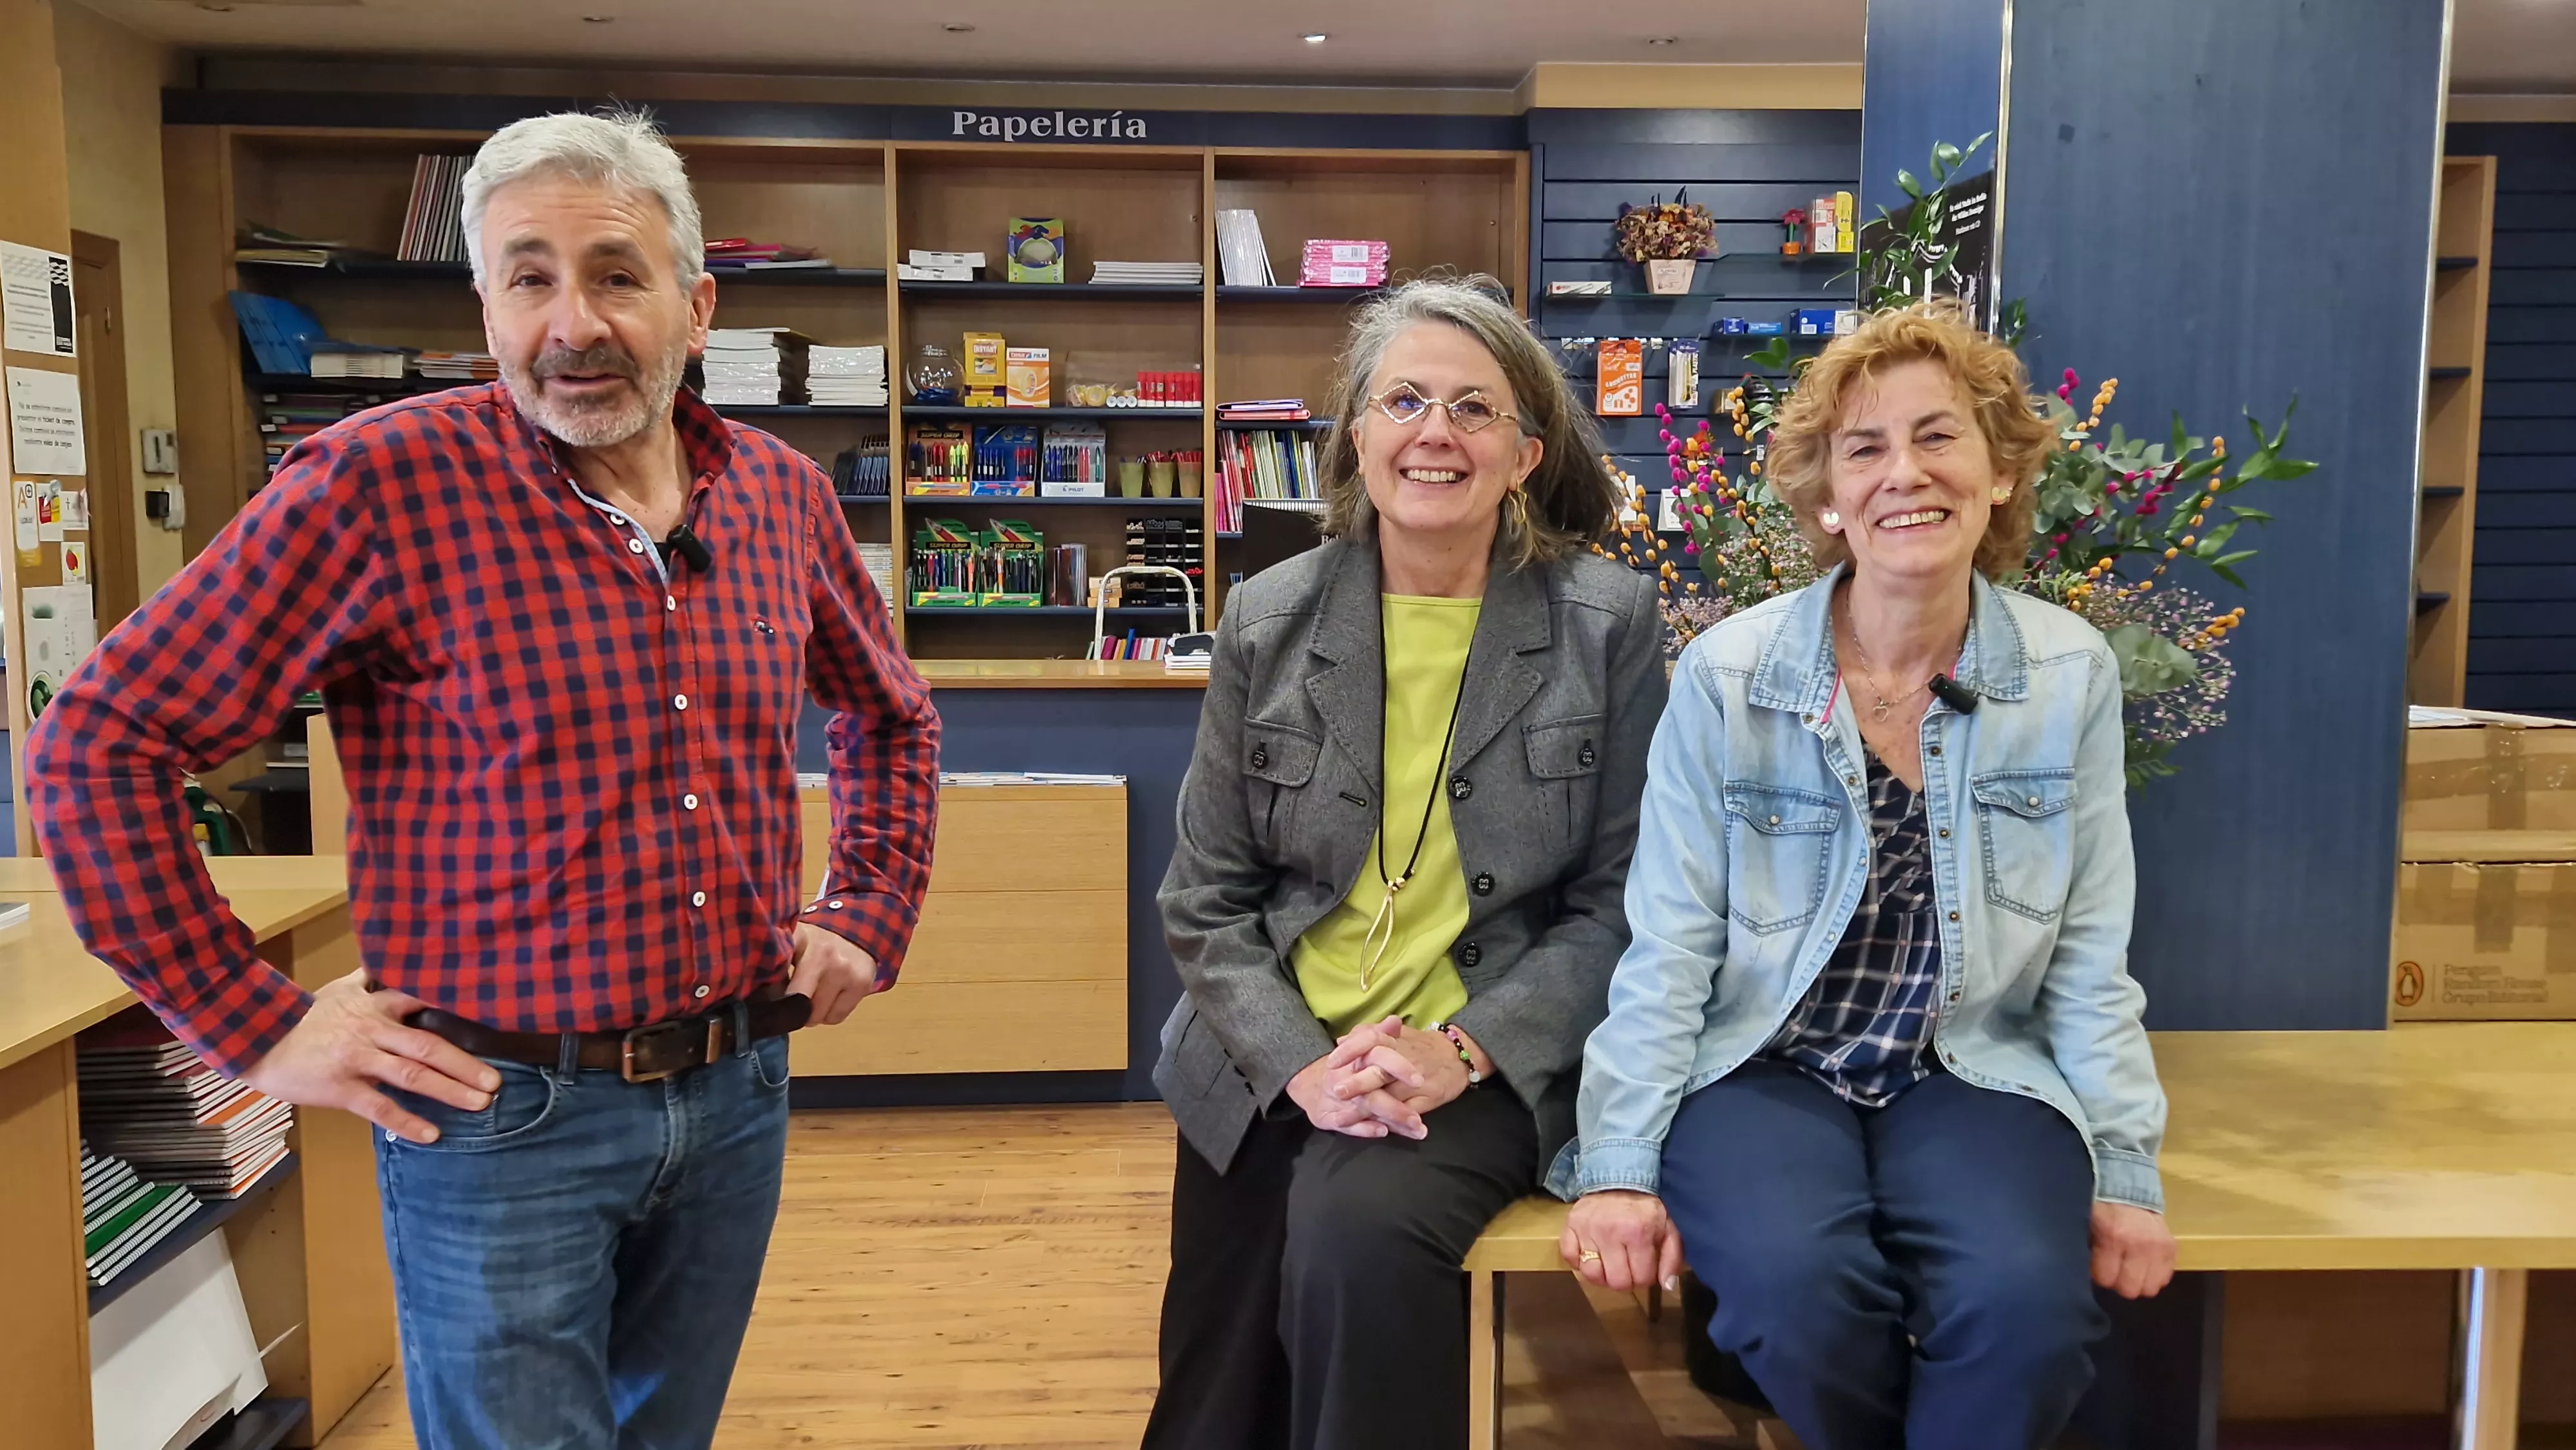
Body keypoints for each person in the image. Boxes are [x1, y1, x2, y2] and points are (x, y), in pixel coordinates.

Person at [26, 109, 940, 1449]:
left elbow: (890, 715)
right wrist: (253, 1022)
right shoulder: (379, 485)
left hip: (736, 1088)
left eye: (616, 276)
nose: (573, 323)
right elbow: (98, 741)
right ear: (487, 305)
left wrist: (867, 909)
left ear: (696, 307)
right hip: (497, 1116)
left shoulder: (779, 495)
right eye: (529, 278)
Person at [1558, 301, 2176, 1450]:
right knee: (1797, 1295)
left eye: (1939, 437)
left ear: (2000, 472)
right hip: (1763, 1066)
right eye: (1866, 448)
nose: (1906, 473)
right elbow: (1671, 945)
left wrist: (2126, 1167)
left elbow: (2092, 955)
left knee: (2028, 1314)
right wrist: (1619, 1164)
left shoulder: (2067, 674)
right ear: (1830, 499)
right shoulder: (1729, 675)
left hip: (1974, 1067)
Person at [1146, 276, 1667, 1450]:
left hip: (1479, 1059)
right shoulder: (1267, 617)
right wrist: (1302, 1068)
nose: (1437, 432)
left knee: (1358, 1247)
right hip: (1268, 1049)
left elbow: (1619, 906)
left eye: (1475, 409)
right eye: (1406, 401)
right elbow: (1205, 899)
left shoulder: (1605, 624)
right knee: (1217, 1385)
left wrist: (1462, 1048)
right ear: (1357, 437)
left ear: (1526, 455)